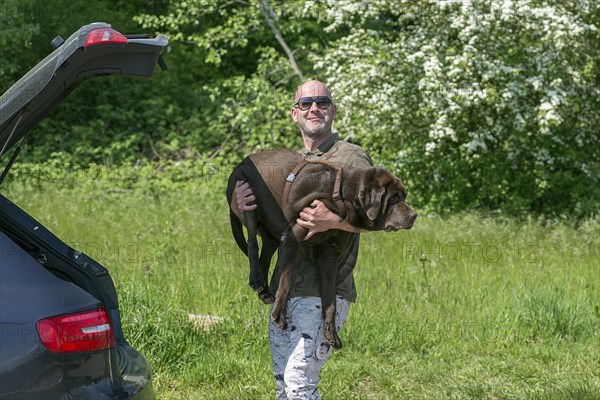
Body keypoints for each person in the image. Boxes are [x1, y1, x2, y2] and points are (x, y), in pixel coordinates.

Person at [234, 80, 372, 399]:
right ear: (294, 114)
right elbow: (274, 227)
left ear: (333, 110)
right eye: (307, 104)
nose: (315, 108)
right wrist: (242, 208)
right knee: (285, 385)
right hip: (285, 289)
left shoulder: (351, 158)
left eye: (322, 102)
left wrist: (334, 220)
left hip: (324, 291)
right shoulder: (287, 166)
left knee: (299, 382)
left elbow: (374, 217)